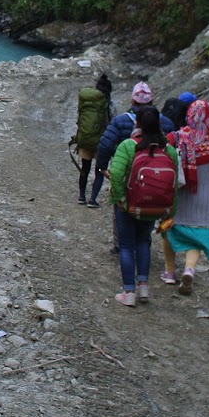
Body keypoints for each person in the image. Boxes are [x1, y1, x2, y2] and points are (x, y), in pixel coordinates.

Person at [107, 106, 179, 306]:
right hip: (155, 207)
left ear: (137, 123)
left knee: (127, 246)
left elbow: (116, 176)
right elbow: (174, 185)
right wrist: (169, 212)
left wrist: (120, 200)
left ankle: (128, 292)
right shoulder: (169, 150)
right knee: (144, 242)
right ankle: (144, 287)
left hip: (129, 206)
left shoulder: (128, 146)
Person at [96, 82, 178, 249]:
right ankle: (142, 243)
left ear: (132, 101)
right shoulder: (167, 123)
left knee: (121, 209)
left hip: (125, 174)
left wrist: (101, 168)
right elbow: (172, 153)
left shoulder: (120, 121)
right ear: (152, 101)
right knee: (148, 206)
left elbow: (105, 145)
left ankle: (121, 244)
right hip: (155, 177)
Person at [159, 99, 209, 293]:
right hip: (204, 197)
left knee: (169, 229)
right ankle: (189, 270)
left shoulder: (178, 138)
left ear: (189, 116)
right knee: (197, 235)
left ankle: (170, 273)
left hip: (179, 194)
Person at [72, 73, 112, 207]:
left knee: (85, 168)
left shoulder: (86, 100)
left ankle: (81, 196)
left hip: (85, 139)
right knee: (100, 170)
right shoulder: (106, 102)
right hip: (100, 141)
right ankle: (92, 200)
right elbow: (112, 121)